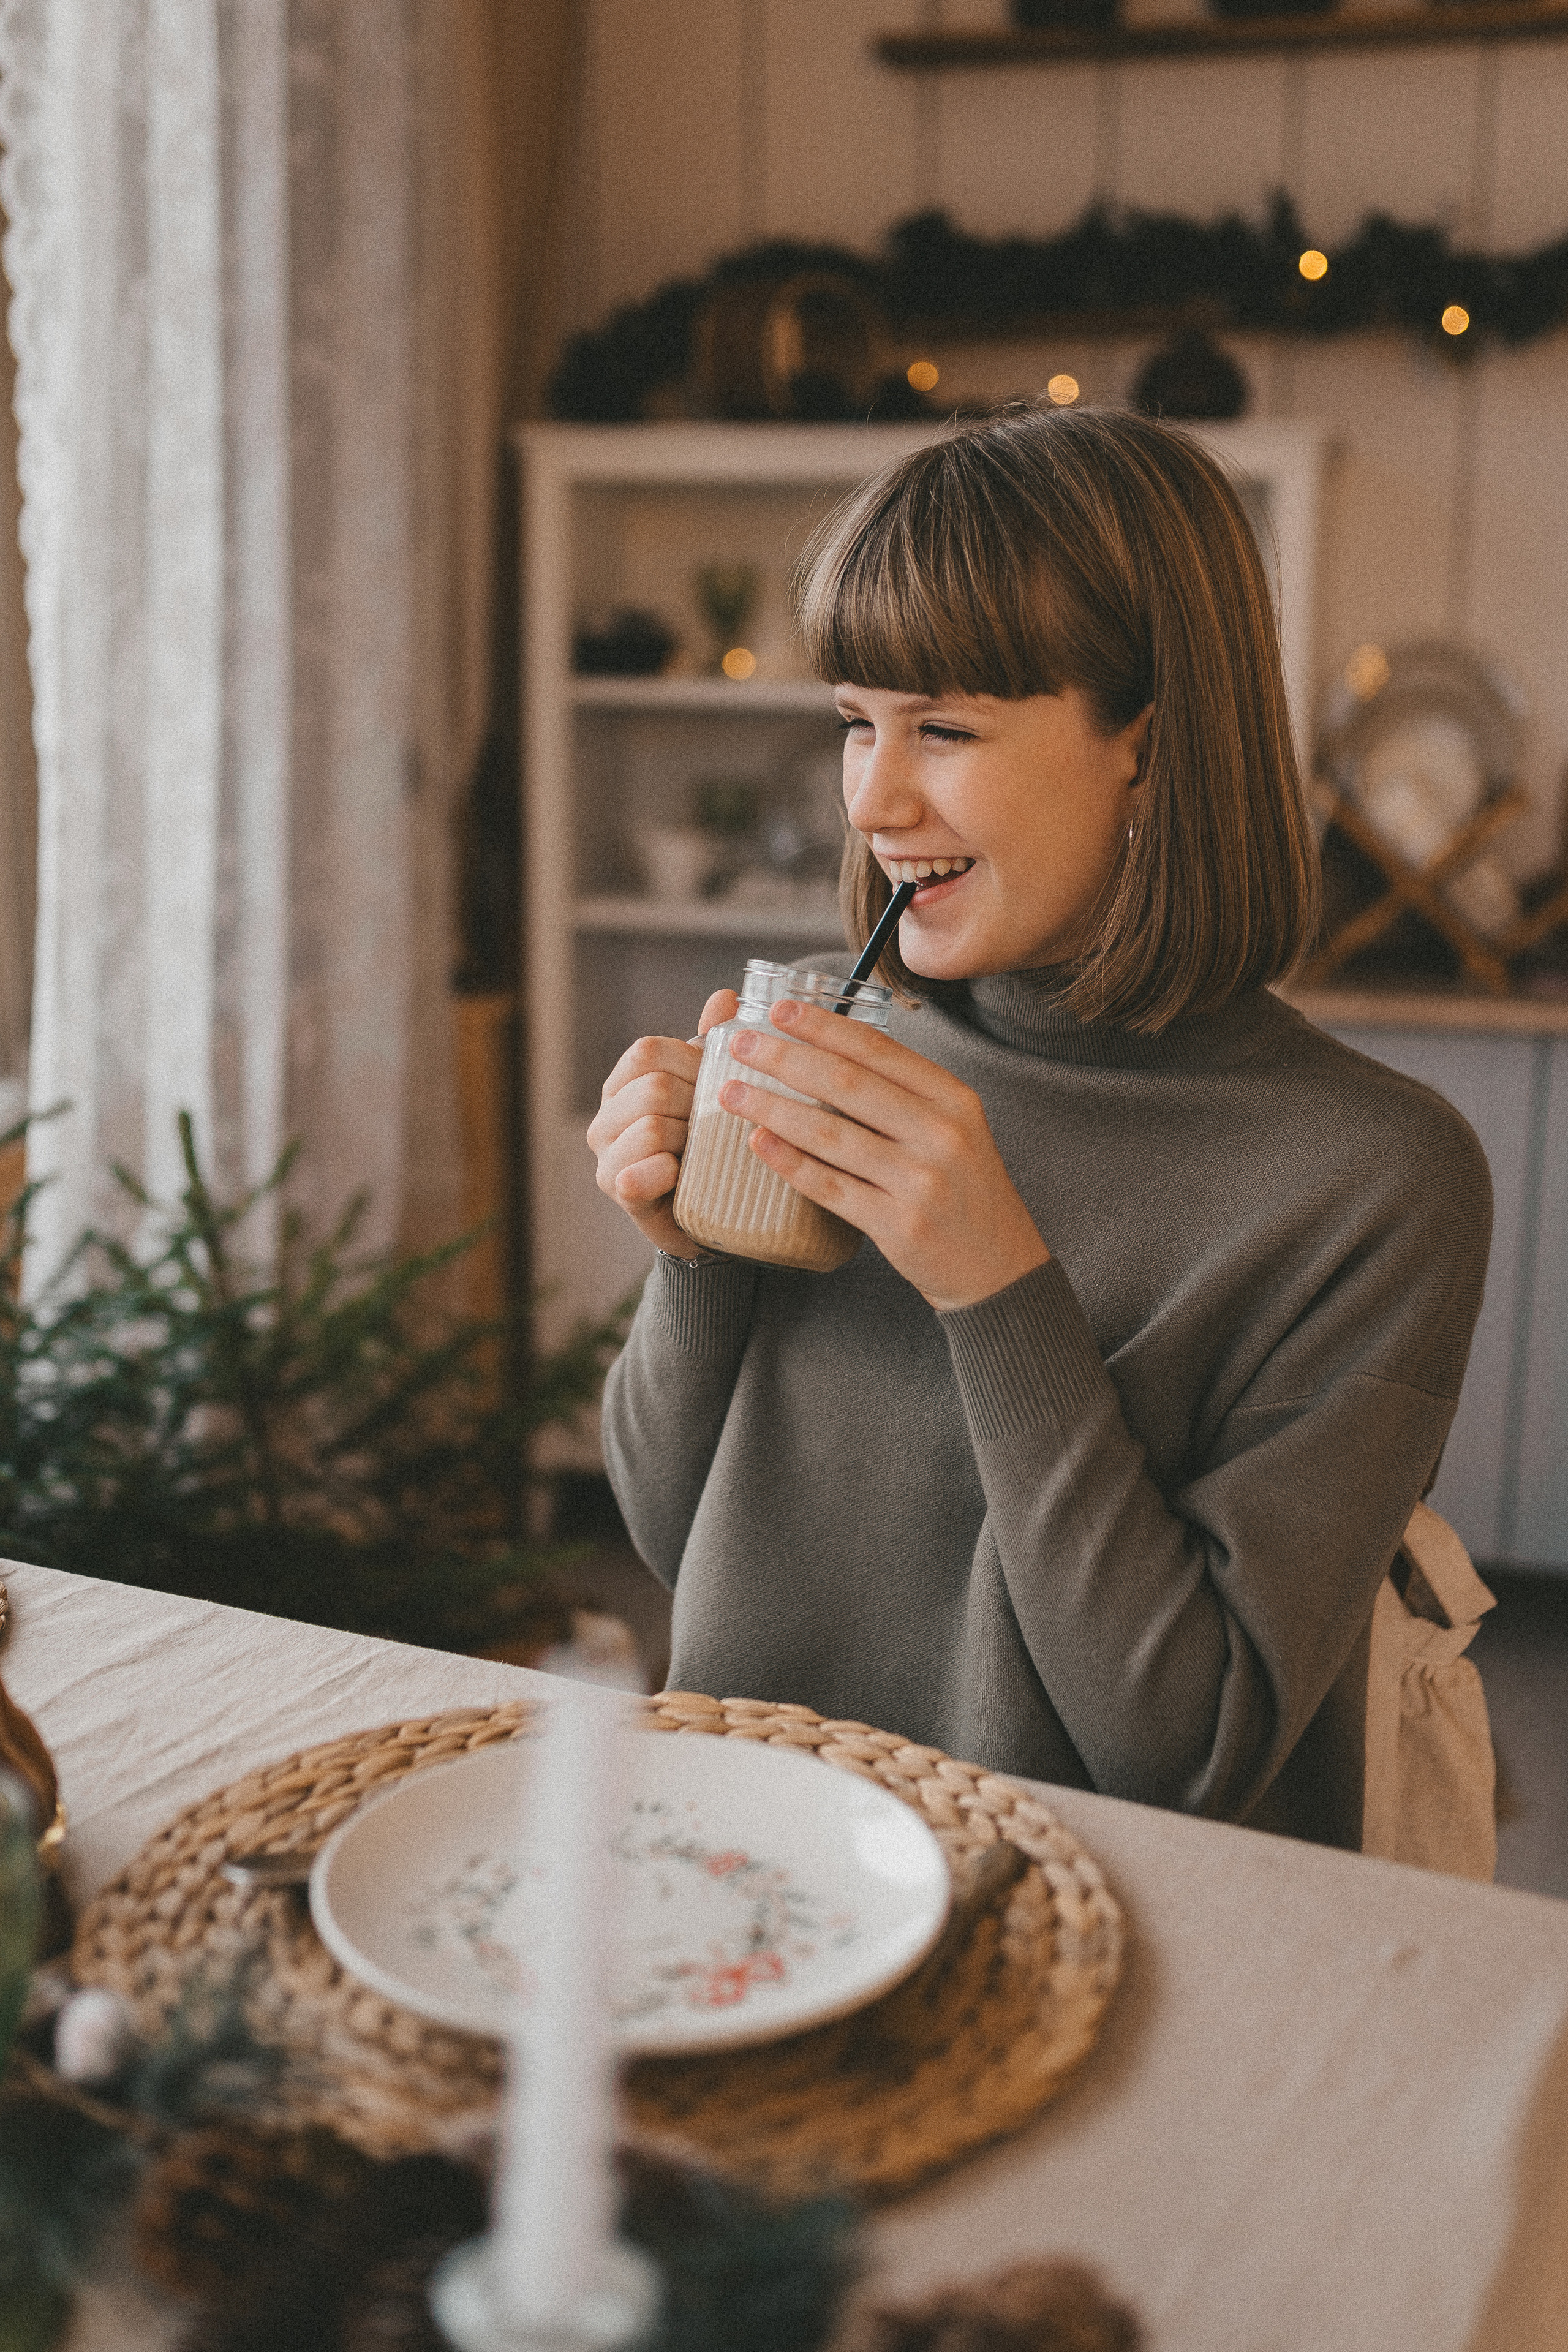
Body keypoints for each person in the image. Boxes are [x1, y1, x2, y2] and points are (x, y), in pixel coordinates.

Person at [587, 405, 1491, 1846]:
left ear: (1146, 743)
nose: (874, 799)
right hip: (756, 1867)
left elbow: (1186, 1750)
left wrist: (995, 1284)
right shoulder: (828, 1035)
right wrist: (694, 1258)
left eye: (944, 728)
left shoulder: (1373, 1181)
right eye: (853, 723)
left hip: (1109, 1938)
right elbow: (677, 1537)